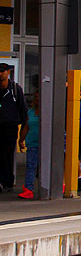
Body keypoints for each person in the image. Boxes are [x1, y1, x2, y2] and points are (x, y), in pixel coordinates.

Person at [0, 62, 27, 193]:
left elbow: (23, 110)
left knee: (8, 155)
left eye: (2, 71)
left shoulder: (15, 89)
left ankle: (7, 181)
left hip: (10, 127)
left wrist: (23, 133)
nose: (0, 74)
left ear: (8, 72)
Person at [18, 87, 40, 199]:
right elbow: (26, 127)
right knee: (31, 166)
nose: (37, 99)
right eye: (35, 97)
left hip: (44, 144)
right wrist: (21, 140)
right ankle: (28, 189)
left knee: (45, 166)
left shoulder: (47, 112)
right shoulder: (30, 112)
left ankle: (55, 185)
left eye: (39, 97)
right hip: (32, 143)